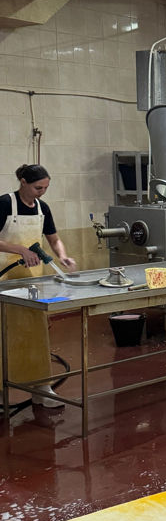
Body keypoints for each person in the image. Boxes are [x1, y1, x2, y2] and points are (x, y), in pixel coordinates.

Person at [0, 164, 77, 408]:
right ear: (23, 182)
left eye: (45, 188)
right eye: (37, 187)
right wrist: (20, 249)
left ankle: (41, 388)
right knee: (3, 335)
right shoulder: (5, 203)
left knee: (35, 334)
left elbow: (54, 238)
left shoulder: (43, 208)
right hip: (5, 281)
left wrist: (63, 255)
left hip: (33, 281)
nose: (42, 192)